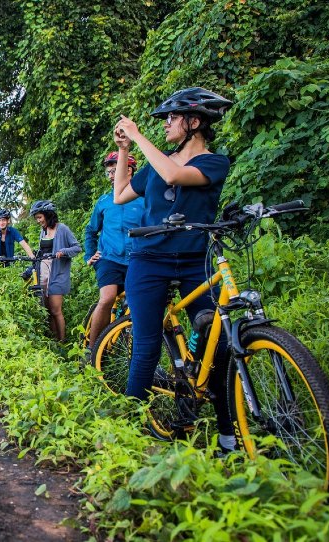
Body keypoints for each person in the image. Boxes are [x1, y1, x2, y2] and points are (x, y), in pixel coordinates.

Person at [111, 87, 236, 452]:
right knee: (146, 345)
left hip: (195, 261)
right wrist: (124, 149)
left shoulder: (214, 163)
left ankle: (228, 436)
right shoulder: (158, 162)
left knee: (219, 347)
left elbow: (175, 176)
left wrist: (137, 135)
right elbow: (120, 194)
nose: (166, 124)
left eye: (172, 118)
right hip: (149, 260)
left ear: (194, 122)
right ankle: (130, 433)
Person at [83, 152, 144, 350]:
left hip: (137, 258)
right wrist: (89, 255)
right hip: (109, 258)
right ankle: (92, 351)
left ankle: (130, 349)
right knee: (107, 298)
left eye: (114, 171)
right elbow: (91, 230)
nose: (110, 176)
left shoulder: (144, 199)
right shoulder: (104, 201)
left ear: (129, 170)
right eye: (108, 172)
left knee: (137, 303)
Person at [29, 200, 82, 341]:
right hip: (44, 273)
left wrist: (63, 251)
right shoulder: (43, 231)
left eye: (40, 217)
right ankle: (54, 342)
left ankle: (62, 341)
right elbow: (43, 250)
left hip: (57, 274)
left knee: (55, 310)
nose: (38, 221)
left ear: (48, 215)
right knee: (47, 311)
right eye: (36, 218)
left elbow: (77, 248)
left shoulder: (62, 229)